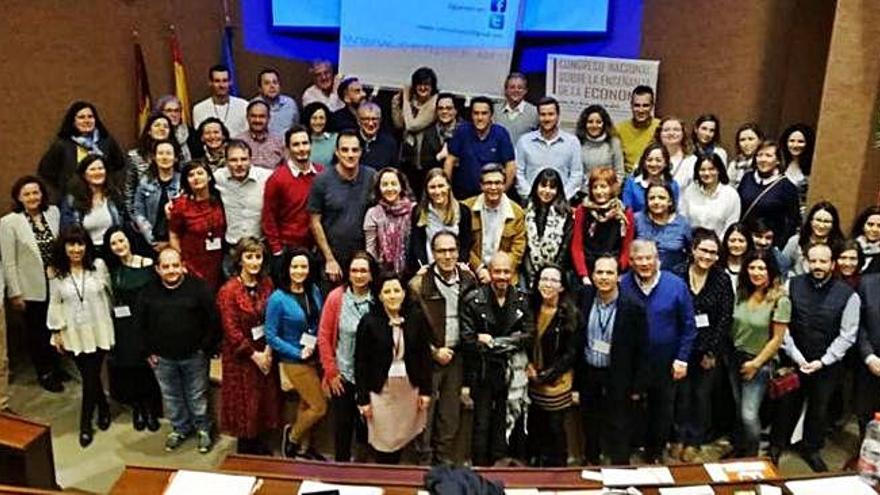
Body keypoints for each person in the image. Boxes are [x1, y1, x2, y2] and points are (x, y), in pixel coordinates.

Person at [770, 243, 859, 472]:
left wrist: (824, 361)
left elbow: (848, 334)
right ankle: (776, 446)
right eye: (814, 261)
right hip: (794, 358)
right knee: (785, 405)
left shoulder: (849, 295)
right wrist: (797, 356)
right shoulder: (792, 285)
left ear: (832, 263)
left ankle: (811, 448)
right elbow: (782, 325)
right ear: (807, 261)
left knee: (819, 409)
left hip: (827, 364)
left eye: (823, 261)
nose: (818, 266)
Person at [620, 240, 697, 463]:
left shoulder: (676, 285)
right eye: (639, 259)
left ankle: (655, 452)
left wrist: (682, 358)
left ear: (657, 260)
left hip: (666, 362)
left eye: (649, 258)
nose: (644, 263)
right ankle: (634, 447)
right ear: (631, 261)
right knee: (631, 408)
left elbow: (689, 326)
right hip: (632, 364)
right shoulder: (623, 285)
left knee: (662, 409)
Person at [139, 247, 220, 453]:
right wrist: (147, 351)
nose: (171, 270)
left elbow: (213, 320)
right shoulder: (147, 292)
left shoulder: (199, 289)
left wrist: (205, 348)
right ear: (157, 269)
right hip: (163, 359)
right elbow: (140, 325)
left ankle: (203, 429)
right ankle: (180, 428)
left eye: (175, 265)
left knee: (196, 395)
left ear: (183, 266)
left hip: (195, 355)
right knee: (171, 396)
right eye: (165, 266)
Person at [409, 231, 477, 465]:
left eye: (451, 250)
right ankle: (423, 463)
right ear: (433, 253)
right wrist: (433, 351)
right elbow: (410, 331)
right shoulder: (418, 284)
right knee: (424, 413)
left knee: (450, 414)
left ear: (458, 252)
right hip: (429, 357)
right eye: (441, 251)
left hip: (457, 356)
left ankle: (444, 461)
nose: (447, 256)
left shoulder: (469, 280)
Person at [460, 251, 533, 466]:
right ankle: (480, 468)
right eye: (497, 271)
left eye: (506, 272)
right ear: (489, 273)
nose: (501, 276)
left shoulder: (522, 299)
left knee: (505, 423)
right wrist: (508, 341)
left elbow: (528, 336)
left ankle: (501, 469)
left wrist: (492, 343)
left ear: (513, 274)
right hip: (482, 372)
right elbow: (467, 340)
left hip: (511, 373)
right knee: (481, 424)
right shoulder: (473, 300)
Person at [575, 255, 649, 465]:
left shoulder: (633, 307)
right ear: (592, 275)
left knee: (619, 425)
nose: (604, 277)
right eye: (599, 272)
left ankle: (619, 467)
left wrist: (638, 386)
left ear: (619, 276)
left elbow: (642, 349)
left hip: (618, 376)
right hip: (589, 372)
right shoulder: (584, 297)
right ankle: (591, 461)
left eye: (609, 272)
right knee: (589, 422)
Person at [47, 226, 114, 447]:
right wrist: (56, 331)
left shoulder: (98, 266)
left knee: (90, 376)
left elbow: (110, 295)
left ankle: (85, 425)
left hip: (99, 328)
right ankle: (102, 409)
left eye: (80, 244)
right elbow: (55, 302)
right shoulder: (56, 272)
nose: (76, 249)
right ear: (64, 247)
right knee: (90, 376)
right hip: (73, 332)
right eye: (71, 244)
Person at [355, 272, 432, 464]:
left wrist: (426, 391)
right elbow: (361, 362)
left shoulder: (416, 318)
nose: (392, 295)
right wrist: (363, 399)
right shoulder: (369, 322)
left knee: (402, 435)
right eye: (387, 291)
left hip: (408, 388)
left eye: (396, 290)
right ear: (379, 296)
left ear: (404, 293)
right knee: (383, 438)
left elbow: (424, 356)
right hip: (381, 389)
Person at [674, 229, 734, 462]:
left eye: (713, 252)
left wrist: (712, 351)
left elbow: (725, 318)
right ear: (693, 250)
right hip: (681, 348)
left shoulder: (721, 279)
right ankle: (678, 436)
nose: (707, 256)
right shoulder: (677, 274)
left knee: (701, 396)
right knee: (682, 394)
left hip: (708, 348)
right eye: (703, 250)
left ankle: (694, 440)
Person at [0, 176, 65, 392]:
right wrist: (15, 292)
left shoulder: (53, 213)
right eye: (26, 194)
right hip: (30, 288)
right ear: (19, 197)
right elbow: (9, 261)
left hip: (55, 282)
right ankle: (44, 372)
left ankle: (57, 366)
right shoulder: (9, 222)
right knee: (37, 332)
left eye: (35, 192)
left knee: (56, 326)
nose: (32, 197)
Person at [216, 237, 280, 455]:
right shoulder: (228, 290)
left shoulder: (268, 283)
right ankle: (246, 448)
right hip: (241, 357)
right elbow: (231, 330)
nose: (254, 262)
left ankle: (260, 441)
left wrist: (268, 351)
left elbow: (273, 319)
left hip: (265, 349)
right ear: (240, 260)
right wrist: (255, 356)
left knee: (264, 399)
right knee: (245, 403)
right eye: (249, 257)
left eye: (258, 257)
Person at [727, 249, 789, 457]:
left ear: (771, 271)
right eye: (752, 267)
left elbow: (777, 339)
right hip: (735, 358)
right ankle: (740, 449)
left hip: (759, 362)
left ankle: (752, 456)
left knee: (749, 414)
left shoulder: (780, 300)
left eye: (761, 268)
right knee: (737, 408)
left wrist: (755, 364)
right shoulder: (742, 294)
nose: (756, 272)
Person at [265, 249, 327, 459]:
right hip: (293, 359)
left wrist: (316, 341)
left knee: (306, 403)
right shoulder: (278, 298)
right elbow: (271, 336)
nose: (299, 271)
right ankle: (291, 437)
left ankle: (304, 449)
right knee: (319, 407)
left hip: (314, 354)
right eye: (295, 266)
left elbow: (319, 321)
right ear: (287, 269)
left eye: (303, 267)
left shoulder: (314, 291)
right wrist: (297, 352)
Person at [318, 252, 377, 462]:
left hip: (370, 379)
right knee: (342, 428)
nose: (359, 275)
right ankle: (341, 471)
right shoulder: (336, 298)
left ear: (371, 274)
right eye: (354, 270)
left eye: (363, 271)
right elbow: (324, 337)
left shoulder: (378, 299)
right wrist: (331, 372)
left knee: (366, 430)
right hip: (342, 377)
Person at [102, 226, 161, 433]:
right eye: (114, 243)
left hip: (148, 324)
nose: (119, 246)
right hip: (125, 327)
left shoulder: (148, 264)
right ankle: (138, 409)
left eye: (122, 240)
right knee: (132, 368)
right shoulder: (114, 271)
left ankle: (151, 410)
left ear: (129, 240)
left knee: (147, 368)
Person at [526, 264, 580, 466]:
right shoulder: (530, 308)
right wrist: (529, 367)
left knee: (555, 429)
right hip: (532, 378)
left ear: (562, 287)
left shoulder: (570, 314)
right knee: (536, 426)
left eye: (554, 280)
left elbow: (570, 354)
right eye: (544, 279)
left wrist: (546, 375)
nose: (548, 284)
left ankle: (557, 470)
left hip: (557, 380)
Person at [309, 130, 377, 286]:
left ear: (361, 152)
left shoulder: (372, 177)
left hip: (363, 258)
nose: (350, 155)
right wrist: (329, 259)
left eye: (355, 150)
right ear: (337, 152)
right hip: (333, 259)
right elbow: (314, 222)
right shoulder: (322, 180)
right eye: (345, 150)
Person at [37, 101, 125, 202]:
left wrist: (113, 187)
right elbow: (45, 173)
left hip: (104, 199)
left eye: (90, 117)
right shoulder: (62, 144)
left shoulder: (106, 141)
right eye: (81, 117)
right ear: (73, 121)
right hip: (73, 201)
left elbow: (119, 166)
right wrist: (59, 196)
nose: (87, 120)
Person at [263, 125, 325, 265]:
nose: (302, 148)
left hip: (316, 248)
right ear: (287, 149)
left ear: (311, 145)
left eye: (305, 143)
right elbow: (268, 217)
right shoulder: (277, 178)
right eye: (296, 144)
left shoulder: (322, 173)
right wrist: (277, 250)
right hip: (287, 249)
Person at [169, 160, 227, 291]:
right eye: (191, 175)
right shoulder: (180, 205)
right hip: (192, 264)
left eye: (200, 173)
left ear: (209, 177)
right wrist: (180, 261)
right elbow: (173, 234)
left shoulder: (221, 199)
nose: (196, 178)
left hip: (218, 261)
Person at [463, 164, 526, 284]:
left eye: (498, 183)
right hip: (472, 270)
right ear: (481, 185)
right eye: (488, 183)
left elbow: (518, 249)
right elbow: (463, 244)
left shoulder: (517, 212)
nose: (493, 187)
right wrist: (479, 269)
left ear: (504, 185)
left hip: (505, 272)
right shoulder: (467, 208)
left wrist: (499, 272)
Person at [571, 167, 635, 284]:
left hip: (613, 271)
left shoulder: (624, 212)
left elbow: (627, 247)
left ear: (612, 188)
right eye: (595, 187)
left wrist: (618, 272)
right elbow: (577, 246)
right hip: (587, 272)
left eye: (603, 186)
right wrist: (584, 276)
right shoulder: (582, 210)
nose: (599, 192)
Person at [444, 96, 516, 199]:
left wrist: (503, 191)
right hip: (464, 194)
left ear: (491, 115)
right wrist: (447, 189)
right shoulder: (462, 131)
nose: (480, 117)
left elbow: (510, 165)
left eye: (484, 113)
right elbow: (449, 161)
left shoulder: (501, 133)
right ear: (471, 115)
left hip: (492, 194)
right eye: (476, 113)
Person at [515, 97, 583, 201]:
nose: (547, 119)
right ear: (538, 116)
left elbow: (576, 175)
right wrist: (531, 196)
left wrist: (561, 197)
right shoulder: (524, 141)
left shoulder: (572, 142)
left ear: (558, 116)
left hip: (562, 204)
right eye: (543, 114)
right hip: (530, 202)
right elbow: (518, 173)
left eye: (551, 114)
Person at [213, 140, 271, 261]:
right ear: (226, 161)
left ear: (251, 159)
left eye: (244, 159)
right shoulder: (218, 177)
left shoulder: (267, 177)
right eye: (233, 160)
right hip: (231, 249)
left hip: (260, 248)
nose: (239, 164)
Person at [407, 168, 473, 273]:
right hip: (429, 269)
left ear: (448, 186)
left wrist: (461, 263)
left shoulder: (463, 211)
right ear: (427, 190)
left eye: (441, 186)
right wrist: (422, 266)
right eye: (432, 187)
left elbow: (466, 242)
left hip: (455, 268)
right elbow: (417, 243)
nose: (437, 191)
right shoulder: (419, 211)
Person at [738, 140, 800, 249]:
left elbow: (792, 221)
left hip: (768, 244)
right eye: (759, 155)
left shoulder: (787, 187)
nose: (763, 159)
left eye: (768, 155)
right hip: (743, 242)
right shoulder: (747, 178)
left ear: (778, 161)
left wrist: (779, 246)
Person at [59, 154, 124, 257]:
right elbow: (67, 231)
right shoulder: (71, 200)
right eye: (92, 169)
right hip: (85, 254)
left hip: (114, 251)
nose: (97, 172)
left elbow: (124, 224)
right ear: (84, 174)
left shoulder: (114, 195)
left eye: (100, 168)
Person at [521, 169, 573, 286]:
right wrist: (531, 272)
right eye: (543, 186)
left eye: (552, 187)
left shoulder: (565, 213)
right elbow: (523, 246)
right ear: (536, 187)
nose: (547, 191)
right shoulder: (524, 209)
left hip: (556, 271)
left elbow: (565, 248)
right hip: (527, 270)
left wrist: (551, 272)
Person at [132, 139, 182, 253]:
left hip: (178, 242)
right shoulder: (145, 182)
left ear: (176, 158)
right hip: (150, 241)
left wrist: (171, 241)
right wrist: (152, 240)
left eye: (169, 153)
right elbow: (138, 212)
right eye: (160, 153)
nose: (164, 157)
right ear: (154, 157)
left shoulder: (183, 182)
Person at [392, 67, 439, 186]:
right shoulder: (411, 101)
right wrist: (396, 104)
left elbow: (412, 125)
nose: (423, 88)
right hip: (407, 159)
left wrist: (406, 99)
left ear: (432, 86)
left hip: (427, 161)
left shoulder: (435, 101)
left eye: (426, 84)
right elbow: (399, 125)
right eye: (419, 84)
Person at [634, 182, 692, 276]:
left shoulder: (682, 224)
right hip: (642, 276)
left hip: (674, 278)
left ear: (670, 201)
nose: (656, 202)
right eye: (652, 198)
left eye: (661, 198)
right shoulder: (637, 220)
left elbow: (691, 251)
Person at [364, 168, 415, 274]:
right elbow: (371, 249)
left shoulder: (413, 210)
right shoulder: (373, 213)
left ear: (401, 186)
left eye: (394, 183)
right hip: (383, 272)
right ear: (379, 188)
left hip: (411, 269)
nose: (389, 188)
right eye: (385, 184)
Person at [679, 153, 741, 239]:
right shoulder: (690, 191)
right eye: (702, 170)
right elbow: (683, 219)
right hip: (692, 244)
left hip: (719, 246)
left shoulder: (731, 195)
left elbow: (731, 226)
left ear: (719, 170)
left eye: (712, 169)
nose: (707, 173)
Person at [124, 114, 173, 220]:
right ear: (149, 131)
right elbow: (129, 190)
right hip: (144, 212)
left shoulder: (178, 155)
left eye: (166, 126)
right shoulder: (135, 156)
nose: (162, 129)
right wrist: (134, 218)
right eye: (157, 125)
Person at [409, 93, 461, 188]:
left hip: (462, 187)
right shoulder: (429, 132)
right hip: (436, 187)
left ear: (455, 111)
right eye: (440, 108)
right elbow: (424, 165)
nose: (444, 111)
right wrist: (439, 157)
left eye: (448, 108)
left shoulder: (465, 130)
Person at [781, 201, 844, 277]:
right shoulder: (795, 241)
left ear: (833, 225)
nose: (821, 226)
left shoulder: (840, 246)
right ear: (811, 221)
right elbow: (782, 266)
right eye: (818, 220)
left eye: (826, 222)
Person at [856, 270, 880, 440]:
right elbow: (858, 324)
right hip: (870, 363)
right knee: (865, 413)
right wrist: (869, 356)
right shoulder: (867, 284)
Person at [621, 143, 680, 213]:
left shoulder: (672, 184)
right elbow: (628, 211)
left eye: (658, 160)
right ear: (643, 162)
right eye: (649, 160)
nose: (653, 164)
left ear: (666, 163)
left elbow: (673, 210)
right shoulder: (631, 183)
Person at [192, 64, 248, 136]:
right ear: (210, 83)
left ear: (230, 82)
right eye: (217, 81)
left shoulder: (244, 105)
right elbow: (200, 137)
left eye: (225, 81)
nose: (221, 85)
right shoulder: (199, 109)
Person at [615, 85, 660, 174]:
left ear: (652, 106)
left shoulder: (660, 127)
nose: (641, 110)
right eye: (637, 105)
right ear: (631, 106)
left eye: (645, 105)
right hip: (627, 179)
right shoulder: (619, 129)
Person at [577, 104, 624, 182]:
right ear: (584, 124)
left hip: (608, 191)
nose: (594, 125)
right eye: (590, 122)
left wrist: (612, 190)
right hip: (581, 191)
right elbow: (575, 172)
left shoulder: (614, 143)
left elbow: (619, 173)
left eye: (598, 122)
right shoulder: (577, 142)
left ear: (604, 124)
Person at [234, 100, 285, 170]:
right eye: (253, 116)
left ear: (269, 118)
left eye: (262, 116)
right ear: (247, 117)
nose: (257, 120)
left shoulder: (279, 141)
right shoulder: (238, 141)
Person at [494, 73, 538, 146]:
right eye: (512, 87)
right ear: (506, 90)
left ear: (525, 91)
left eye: (520, 88)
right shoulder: (495, 111)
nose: (516, 90)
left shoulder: (535, 112)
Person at [154, 94, 201, 162]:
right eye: (169, 111)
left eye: (177, 111)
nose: (174, 115)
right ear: (160, 113)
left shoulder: (191, 133)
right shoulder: (157, 133)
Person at [252, 68, 299, 135]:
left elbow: (296, 129)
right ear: (260, 88)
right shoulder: (254, 106)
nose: (272, 86)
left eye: (275, 82)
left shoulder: (290, 104)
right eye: (267, 83)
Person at [779, 123, 815, 207]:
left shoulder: (813, 167)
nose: (795, 145)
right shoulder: (779, 163)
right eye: (791, 141)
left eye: (800, 142)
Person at [655, 116, 696, 190]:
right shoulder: (649, 159)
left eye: (676, 130)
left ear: (683, 134)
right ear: (659, 134)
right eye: (666, 130)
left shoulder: (692, 161)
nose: (671, 133)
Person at [357, 102, 399, 170]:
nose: (370, 123)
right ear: (358, 121)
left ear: (380, 121)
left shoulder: (389, 143)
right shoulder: (351, 140)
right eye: (366, 119)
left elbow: (394, 171)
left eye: (374, 119)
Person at [727, 123, 764, 189]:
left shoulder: (763, 163)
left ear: (759, 140)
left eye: (750, 139)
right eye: (742, 140)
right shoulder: (734, 164)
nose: (746, 143)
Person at [302, 101, 337, 167]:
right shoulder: (302, 140)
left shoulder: (335, 139)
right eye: (314, 118)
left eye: (321, 118)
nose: (318, 122)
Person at [720, 222, 752, 290]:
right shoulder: (718, 265)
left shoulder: (753, 265)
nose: (737, 245)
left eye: (741, 241)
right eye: (732, 240)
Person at [851, 205, 880, 273]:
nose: (874, 229)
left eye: (879, 226)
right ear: (862, 226)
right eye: (870, 224)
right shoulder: (849, 246)